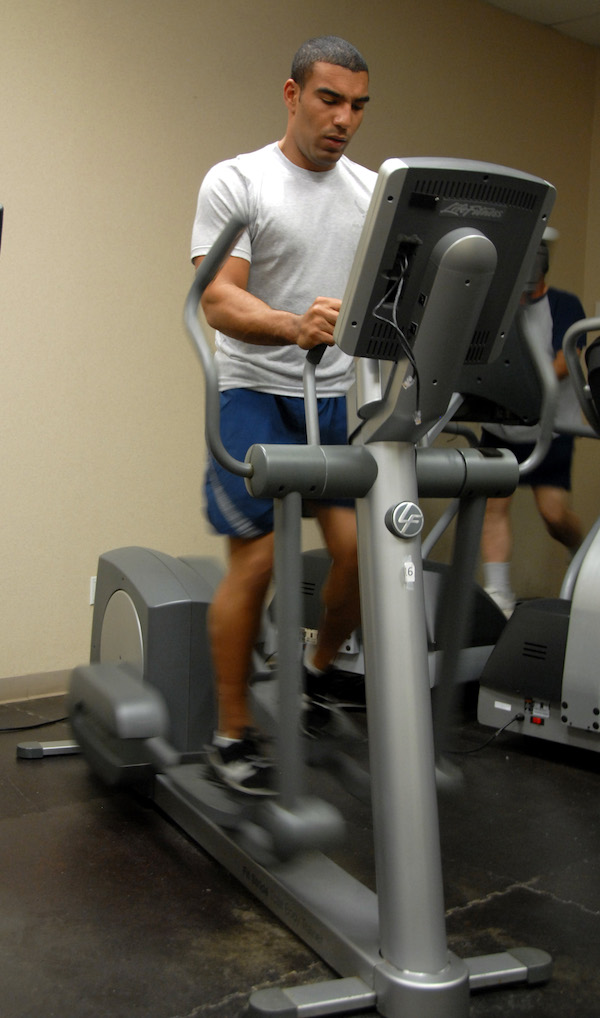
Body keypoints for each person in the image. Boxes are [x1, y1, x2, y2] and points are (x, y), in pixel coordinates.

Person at [190, 36, 376, 794]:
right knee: (260, 559)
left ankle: (317, 672)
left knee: (364, 552)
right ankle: (231, 732)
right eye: (330, 99)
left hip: (331, 398)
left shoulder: (372, 192)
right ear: (293, 95)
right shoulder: (239, 180)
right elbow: (216, 297)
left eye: (358, 105)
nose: (344, 119)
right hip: (254, 393)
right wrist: (291, 324)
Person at [480, 233, 586, 617]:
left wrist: (525, 387)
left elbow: (563, 361)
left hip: (549, 426)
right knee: (494, 507)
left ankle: (584, 555)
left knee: (554, 515)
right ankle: (498, 595)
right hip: (502, 424)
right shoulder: (499, 309)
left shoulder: (562, 304)